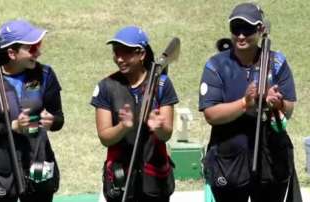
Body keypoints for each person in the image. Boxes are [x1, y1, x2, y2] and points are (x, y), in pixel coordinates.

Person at [199, 3, 301, 202]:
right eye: (236, 29)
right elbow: (211, 114)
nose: (241, 36)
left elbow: (288, 109)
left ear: (261, 29)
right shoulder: (216, 65)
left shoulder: (277, 62)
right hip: (228, 160)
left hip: (271, 158)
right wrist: (245, 104)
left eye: (248, 29)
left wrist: (276, 103)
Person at [0, 19, 64, 202]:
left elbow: (59, 118)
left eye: (38, 45)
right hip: (1, 166)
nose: (38, 52)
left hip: (39, 159)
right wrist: (13, 126)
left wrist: (52, 121)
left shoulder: (46, 75)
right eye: (32, 48)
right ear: (12, 53)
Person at [91, 26, 178, 202]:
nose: (119, 58)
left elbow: (166, 134)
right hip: (120, 179)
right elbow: (104, 137)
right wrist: (123, 127)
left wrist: (159, 127)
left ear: (142, 54)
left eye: (126, 53)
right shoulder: (106, 87)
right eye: (116, 53)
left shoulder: (162, 84)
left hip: (155, 181)